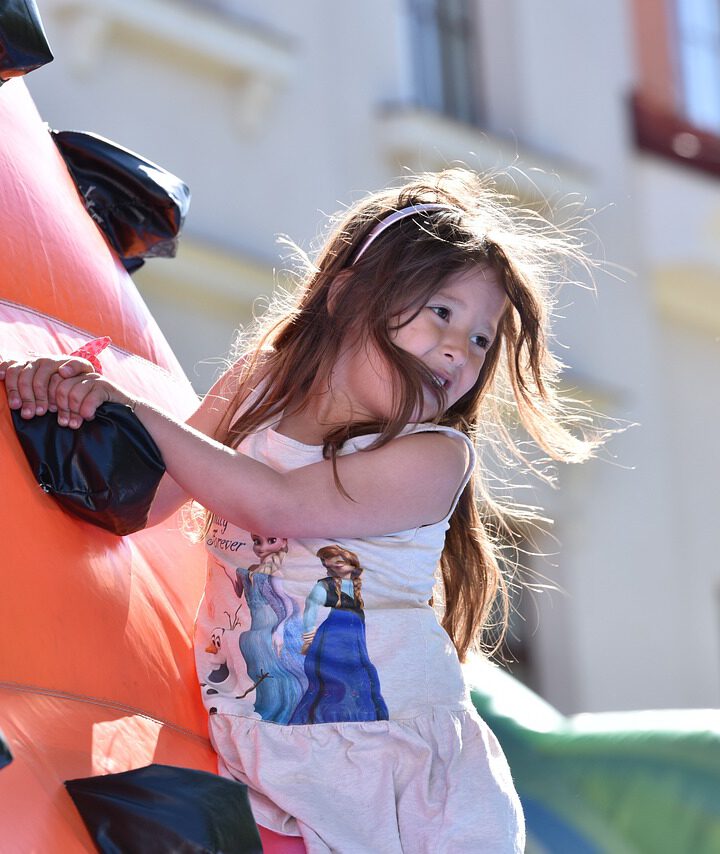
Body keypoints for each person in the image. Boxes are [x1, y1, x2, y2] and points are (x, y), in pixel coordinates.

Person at [1, 168, 605, 852]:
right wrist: (67, 399)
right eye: (443, 312)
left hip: (394, 775)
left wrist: (127, 407)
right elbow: (154, 498)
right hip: (263, 739)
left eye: (480, 339)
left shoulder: (434, 458)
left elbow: (274, 504)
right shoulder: (264, 384)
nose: (457, 349)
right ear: (349, 294)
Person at [289, 545, 389, 725]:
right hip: (336, 635)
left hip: (354, 636)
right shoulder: (325, 585)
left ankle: (356, 713)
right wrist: (309, 636)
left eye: (338, 564)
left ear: (352, 564)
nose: (332, 569)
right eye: (328, 566)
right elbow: (311, 606)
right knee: (336, 675)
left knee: (358, 674)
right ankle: (331, 716)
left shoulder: (356, 585)